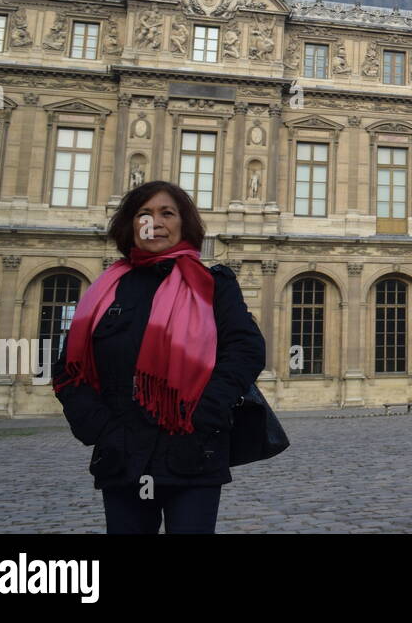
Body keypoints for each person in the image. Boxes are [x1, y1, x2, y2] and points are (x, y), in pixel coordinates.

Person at [52, 181, 266, 534]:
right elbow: (68, 369)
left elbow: (246, 351)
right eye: (144, 214)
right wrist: (100, 428)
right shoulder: (103, 292)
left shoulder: (214, 285)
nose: (156, 222)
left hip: (192, 451)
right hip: (122, 454)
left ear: (184, 224)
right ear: (130, 225)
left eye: (167, 213)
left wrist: (202, 416)